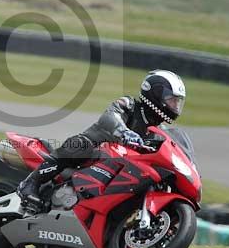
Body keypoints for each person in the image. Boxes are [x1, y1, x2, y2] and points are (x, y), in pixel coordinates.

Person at [17, 70, 187, 209]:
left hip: (119, 167)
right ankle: (31, 183)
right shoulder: (129, 104)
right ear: (156, 93)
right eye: (171, 100)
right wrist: (123, 132)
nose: (175, 106)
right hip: (93, 151)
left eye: (177, 102)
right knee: (81, 146)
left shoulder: (159, 132)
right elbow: (109, 117)